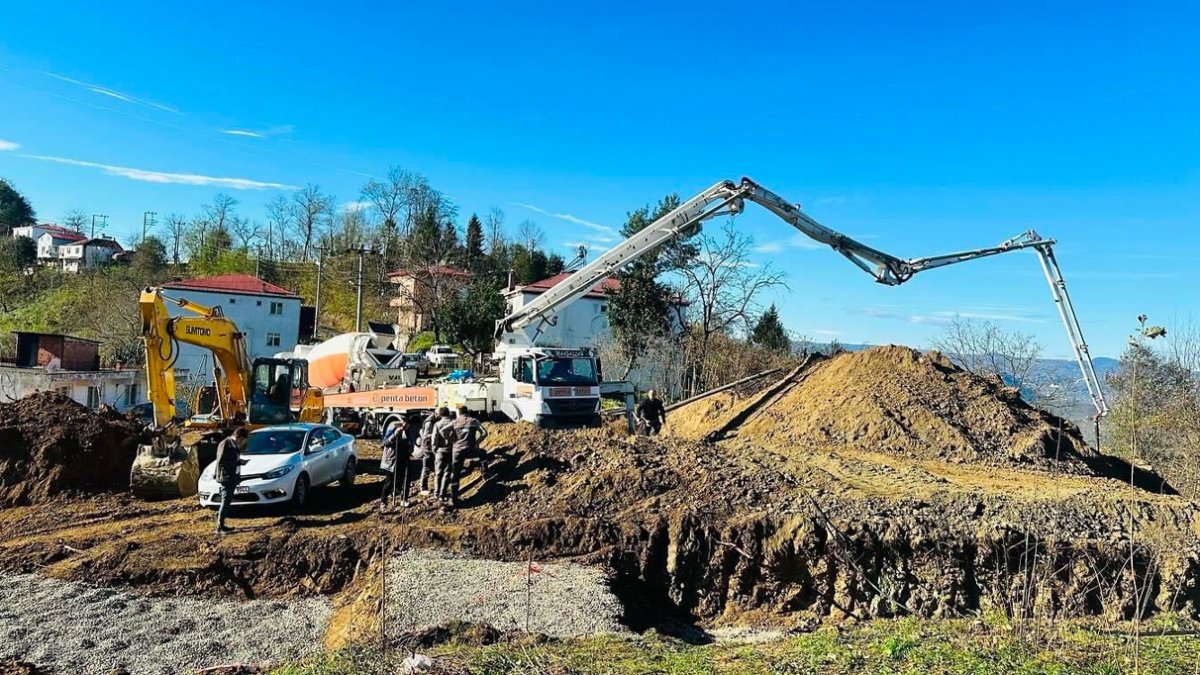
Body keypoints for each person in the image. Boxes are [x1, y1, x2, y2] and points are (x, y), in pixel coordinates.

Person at [439, 405, 488, 507]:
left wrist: (451, 440)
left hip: (457, 451)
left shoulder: (454, 422)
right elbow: (484, 433)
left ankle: (454, 498)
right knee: (483, 453)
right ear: (467, 412)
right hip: (470, 450)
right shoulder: (473, 421)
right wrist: (477, 442)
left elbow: (442, 431)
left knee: (455, 473)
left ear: (459, 413)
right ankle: (485, 474)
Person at [213, 427, 249, 535]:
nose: (242, 443)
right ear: (238, 436)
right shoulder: (225, 444)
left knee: (227, 500)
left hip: (232, 476)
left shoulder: (234, 445)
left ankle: (220, 520)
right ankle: (220, 525)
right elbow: (221, 462)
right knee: (226, 499)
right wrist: (238, 463)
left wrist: (239, 462)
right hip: (226, 477)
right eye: (242, 440)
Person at [378, 416, 414, 511]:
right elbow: (385, 443)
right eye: (402, 422)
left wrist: (410, 450)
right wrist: (394, 435)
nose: (404, 425)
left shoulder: (409, 432)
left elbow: (411, 444)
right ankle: (383, 502)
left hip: (403, 458)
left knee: (406, 478)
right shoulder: (392, 429)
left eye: (406, 423)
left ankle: (404, 499)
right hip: (392, 459)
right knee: (389, 481)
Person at [431, 407, 457, 503]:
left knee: (438, 473)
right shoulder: (454, 423)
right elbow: (456, 438)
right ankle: (443, 493)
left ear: (441, 414)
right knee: (447, 473)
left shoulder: (437, 424)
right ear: (448, 413)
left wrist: (435, 450)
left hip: (440, 451)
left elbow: (434, 439)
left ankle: (436, 492)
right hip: (450, 450)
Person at [416, 411, 440, 495]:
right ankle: (423, 487)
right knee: (426, 468)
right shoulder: (429, 423)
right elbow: (426, 436)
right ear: (436, 414)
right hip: (427, 448)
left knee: (431, 467)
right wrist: (436, 434)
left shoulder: (432, 420)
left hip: (429, 447)